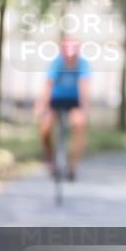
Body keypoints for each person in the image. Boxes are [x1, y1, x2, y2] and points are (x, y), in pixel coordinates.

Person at [35, 37, 90, 181]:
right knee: (45, 128)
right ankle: (50, 158)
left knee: (80, 125)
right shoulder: (57, 63)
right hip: (55, 99)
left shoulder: (82, 64)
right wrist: (43, 105)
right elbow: (48, 85)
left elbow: (84, 86)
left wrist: (84, 107)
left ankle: (72, 165)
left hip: (74, 100)